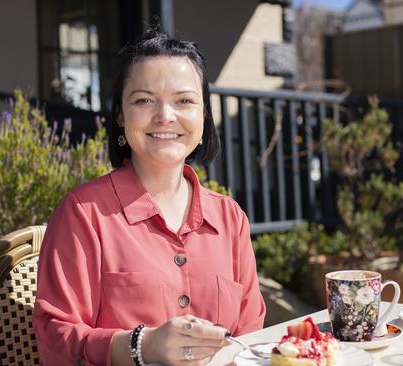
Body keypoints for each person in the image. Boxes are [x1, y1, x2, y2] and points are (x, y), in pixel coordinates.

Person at [33, 29, 266, 366]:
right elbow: (56, 338)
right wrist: (140, 345)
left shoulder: (230, 217)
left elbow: (249, 334)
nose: (165, 116)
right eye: (143, 100)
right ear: (120, 115)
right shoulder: (84, 213)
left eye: (184, 101)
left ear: (203, 115)